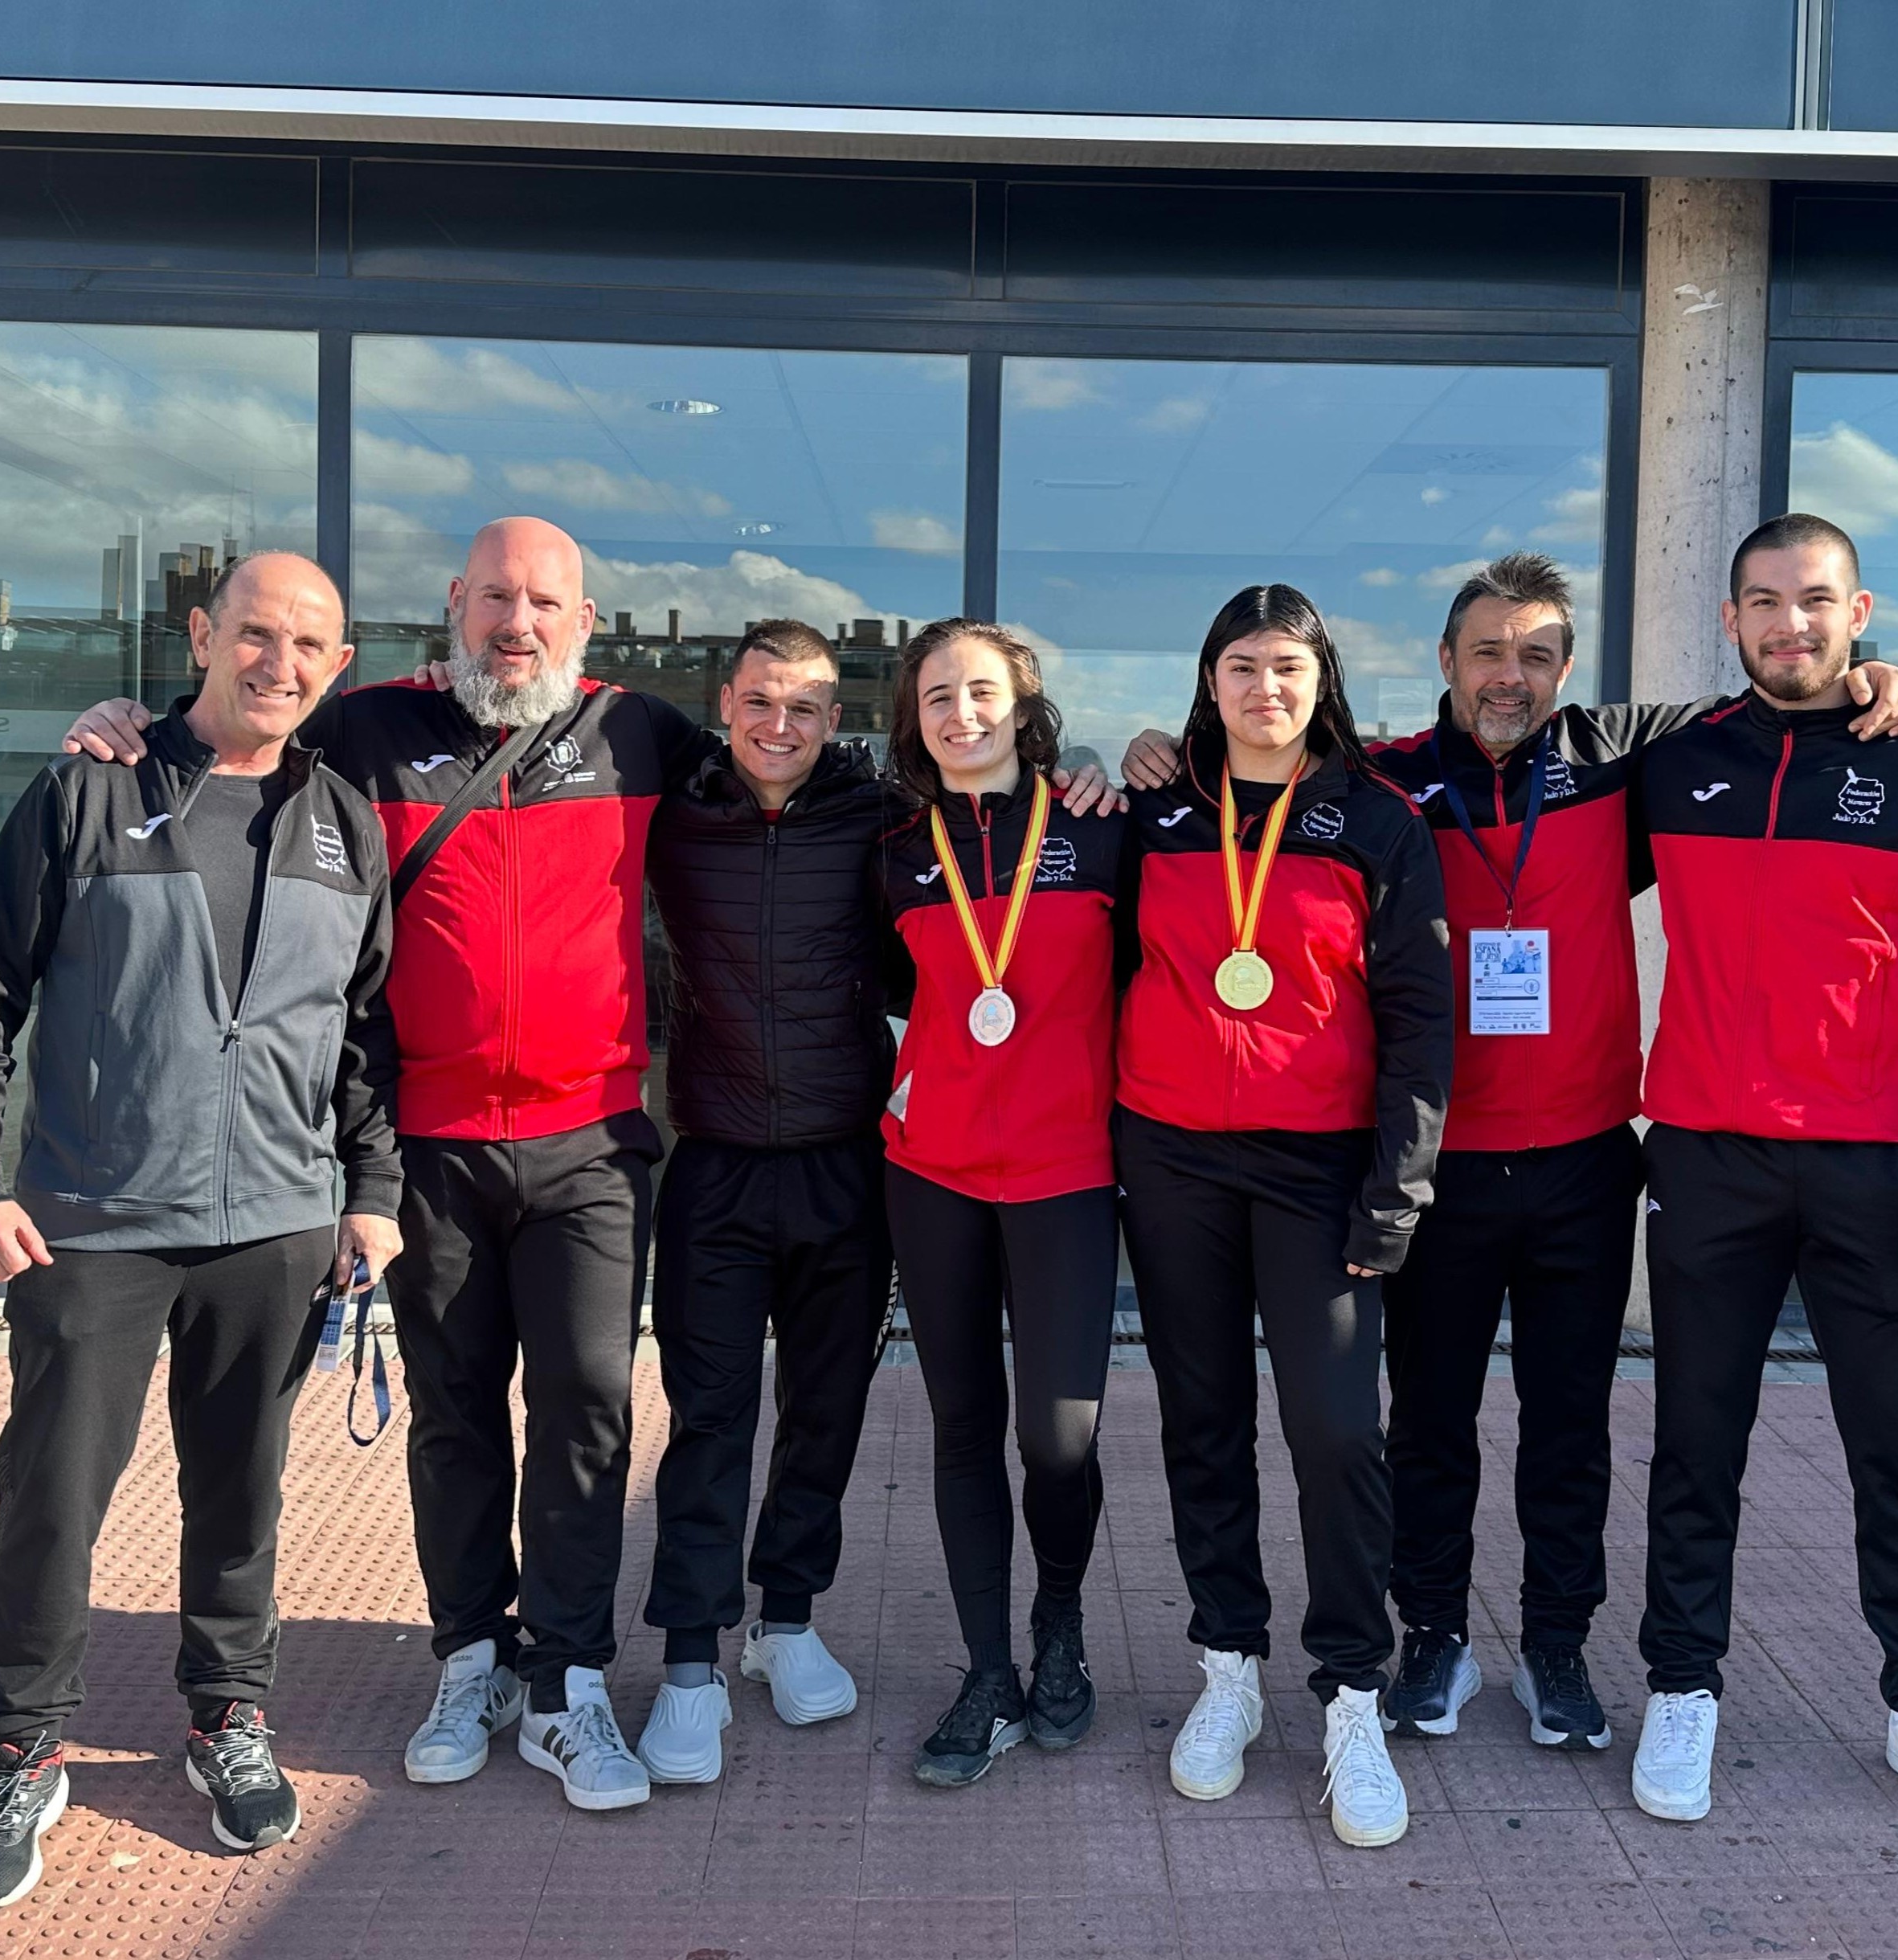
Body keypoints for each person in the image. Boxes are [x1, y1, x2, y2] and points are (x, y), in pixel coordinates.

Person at [1123, 556, 1898, 1756]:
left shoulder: (1623, 760)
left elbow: (1776, 705)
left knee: (1568, 1425)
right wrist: (1154, 748)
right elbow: (1252, 778)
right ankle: (1434, 1633)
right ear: (1446, 660)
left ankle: (1557, 1642)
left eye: (1538, 654)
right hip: (1439, 1163)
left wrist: (1876, 677)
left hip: (1585, 1159)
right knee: (1429, 1423)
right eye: (1488, 652)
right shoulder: (1382, 784)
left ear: (1567, 668)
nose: (1511, 675)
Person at [63, 518, 701, 1814]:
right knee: (455, 1409)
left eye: (547, 603)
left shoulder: (640, 733)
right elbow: (231, 742)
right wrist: (125, 721)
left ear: (586, 622)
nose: (518, 624)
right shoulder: (365, 728)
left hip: (590, 1141)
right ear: (454, 603)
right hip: (427, 1144)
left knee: (586, 1403)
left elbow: (791, 777)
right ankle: (472, 1656)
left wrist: (1082, 773)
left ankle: (569, 1677)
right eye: (496, 597)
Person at [0, 552, 401, 1909]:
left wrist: (371, 1191)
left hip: (276, 1222)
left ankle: (226, 1711)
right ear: (201, 633)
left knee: (241, 1487)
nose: (278, 662)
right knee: (52, 1492)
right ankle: (22, 1744)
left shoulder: (343, 822)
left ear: (338, 665)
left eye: (308, 644)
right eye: (255, 632)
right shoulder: (91, 786)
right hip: (93, 1220)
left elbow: (365, 1034)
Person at [1627, 513, 1898, 1840]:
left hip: (1883, 1168)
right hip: (1708, 1156)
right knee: (1694, 1439)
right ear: (1729, 619)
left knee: (1897, 1447)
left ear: (1858, 612)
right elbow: (1507, 782)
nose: (1787, 623)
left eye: (1812, 600)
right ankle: (1681, 1685)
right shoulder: (1674, 761)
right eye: (1761, 601)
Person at [1115, 584, 1454, 1850]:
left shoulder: (1378, 819)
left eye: (1289, 668)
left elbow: (1421, 1018)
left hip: (1321, 1170)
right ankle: (1229, 1663)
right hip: (1172, 1160)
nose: (1267, 689)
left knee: (1335, 1430)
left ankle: (1353, 1690)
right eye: (1243, 666)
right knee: (1202, 1421)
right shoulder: (1153, 814)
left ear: (1323, 683)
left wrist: (1397, 1187)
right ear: (1210, 681)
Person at [628, 620, 892, 1782]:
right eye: (760, 702)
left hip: (847, 1162)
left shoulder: (879, 816)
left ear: (835, 719)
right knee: (710, 1418)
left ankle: (787, 1619)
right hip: (716, 1162)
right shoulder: (670, 813)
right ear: (725, 702)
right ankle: (691, 1659)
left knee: (825, 1411)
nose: (779, 726)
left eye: (805, 707)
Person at [877, 619, 1130, 1788]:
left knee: (1057, 1436)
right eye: (937, 695)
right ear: (914, 718)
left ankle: (1059, 1623)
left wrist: (1139, 753)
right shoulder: (895, 850)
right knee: (964, 1425)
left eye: (982, 691)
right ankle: (987, 1671)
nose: (960, 712)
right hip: (932, 1173)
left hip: (1067, 1171)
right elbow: (902, 991)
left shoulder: (1099, 827)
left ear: (1025, 709)